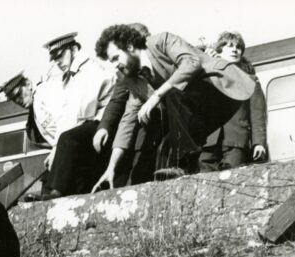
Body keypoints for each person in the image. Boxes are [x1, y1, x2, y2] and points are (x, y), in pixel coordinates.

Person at [93, 25, 256, 187]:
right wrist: (111, 167)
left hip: (222, 87)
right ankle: (186, 170)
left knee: (171, 94)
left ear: (129, 46)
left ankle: (180, 163)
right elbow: (128, 120)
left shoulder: (161, 41)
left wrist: (157, 95)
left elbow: (192, 63)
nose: (114, 65)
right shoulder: (132, 77)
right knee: (165, 148)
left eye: (115, 58)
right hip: (196, 109)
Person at [37, 32, 117, 197]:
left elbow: (79, 113)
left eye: (60, 56)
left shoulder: (89, 70)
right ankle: (48, 194)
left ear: (73, 49)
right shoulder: (72, 75)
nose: (58, 62)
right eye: (55, 59)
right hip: (89, 123)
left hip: (102, 123)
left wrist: (56, 148)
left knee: (68, 139)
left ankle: (58, 191)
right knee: (61, 150)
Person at [91, 23, 158, 188]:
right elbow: (119, 101)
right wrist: (104, 126)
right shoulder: (125, 73)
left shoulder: (158, 57)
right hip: (139, 122)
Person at [199, 31, 268, 170]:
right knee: (204, 176)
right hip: (209, 139)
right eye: (230, 46)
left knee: (232, 178)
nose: (235, 50)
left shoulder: (250, 80)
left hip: (237, 140)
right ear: (219, 50)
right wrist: (206, 62)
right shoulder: (209, 75)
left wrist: (258, 143)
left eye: (238, 47)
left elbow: (258, 113)